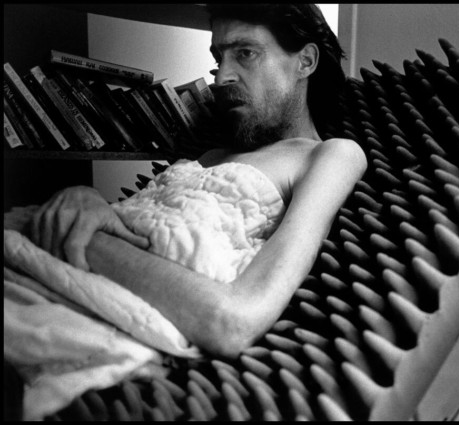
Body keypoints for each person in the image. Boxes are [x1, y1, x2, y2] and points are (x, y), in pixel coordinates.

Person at [27, 4, 367, 359]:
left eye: (246, 53)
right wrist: (86, 199)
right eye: (219, 58)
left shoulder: (329, 155)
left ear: (306, 61)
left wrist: (86, 240)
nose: (221, 78)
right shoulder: (209, 154)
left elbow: (233, 323)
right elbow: (128, 222)